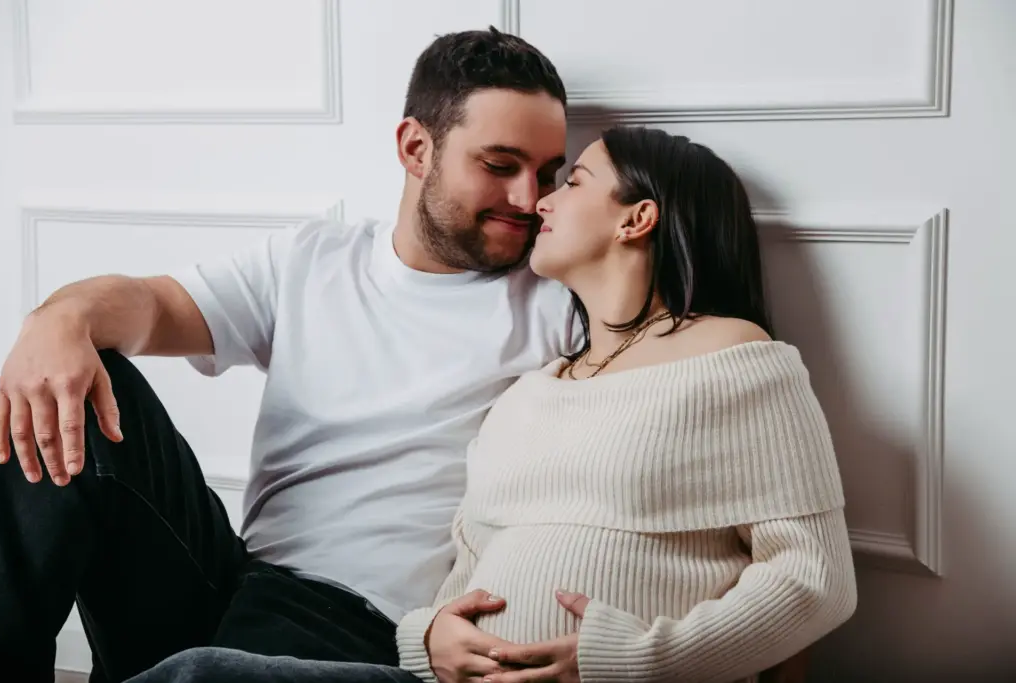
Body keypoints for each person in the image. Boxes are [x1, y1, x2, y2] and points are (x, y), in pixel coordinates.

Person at [118, 128, 856, 683]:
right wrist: (429, 635)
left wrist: (632, 659)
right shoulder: (532, 388)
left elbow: (813, 579)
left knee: (200, 675)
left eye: (573, 181)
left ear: (637, 219)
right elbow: (464, 564)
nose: (542, 201)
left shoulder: (734, 356)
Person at [0, 27, 576, 683]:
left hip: (374, 636)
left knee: (203, 675)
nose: (530, 200)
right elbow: (154, 306)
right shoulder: (315, 259)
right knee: (75, 386)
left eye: (548, 173)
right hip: (238, 582)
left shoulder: (558, 302)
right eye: (500, 166)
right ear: (416, 148)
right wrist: (58, 318)